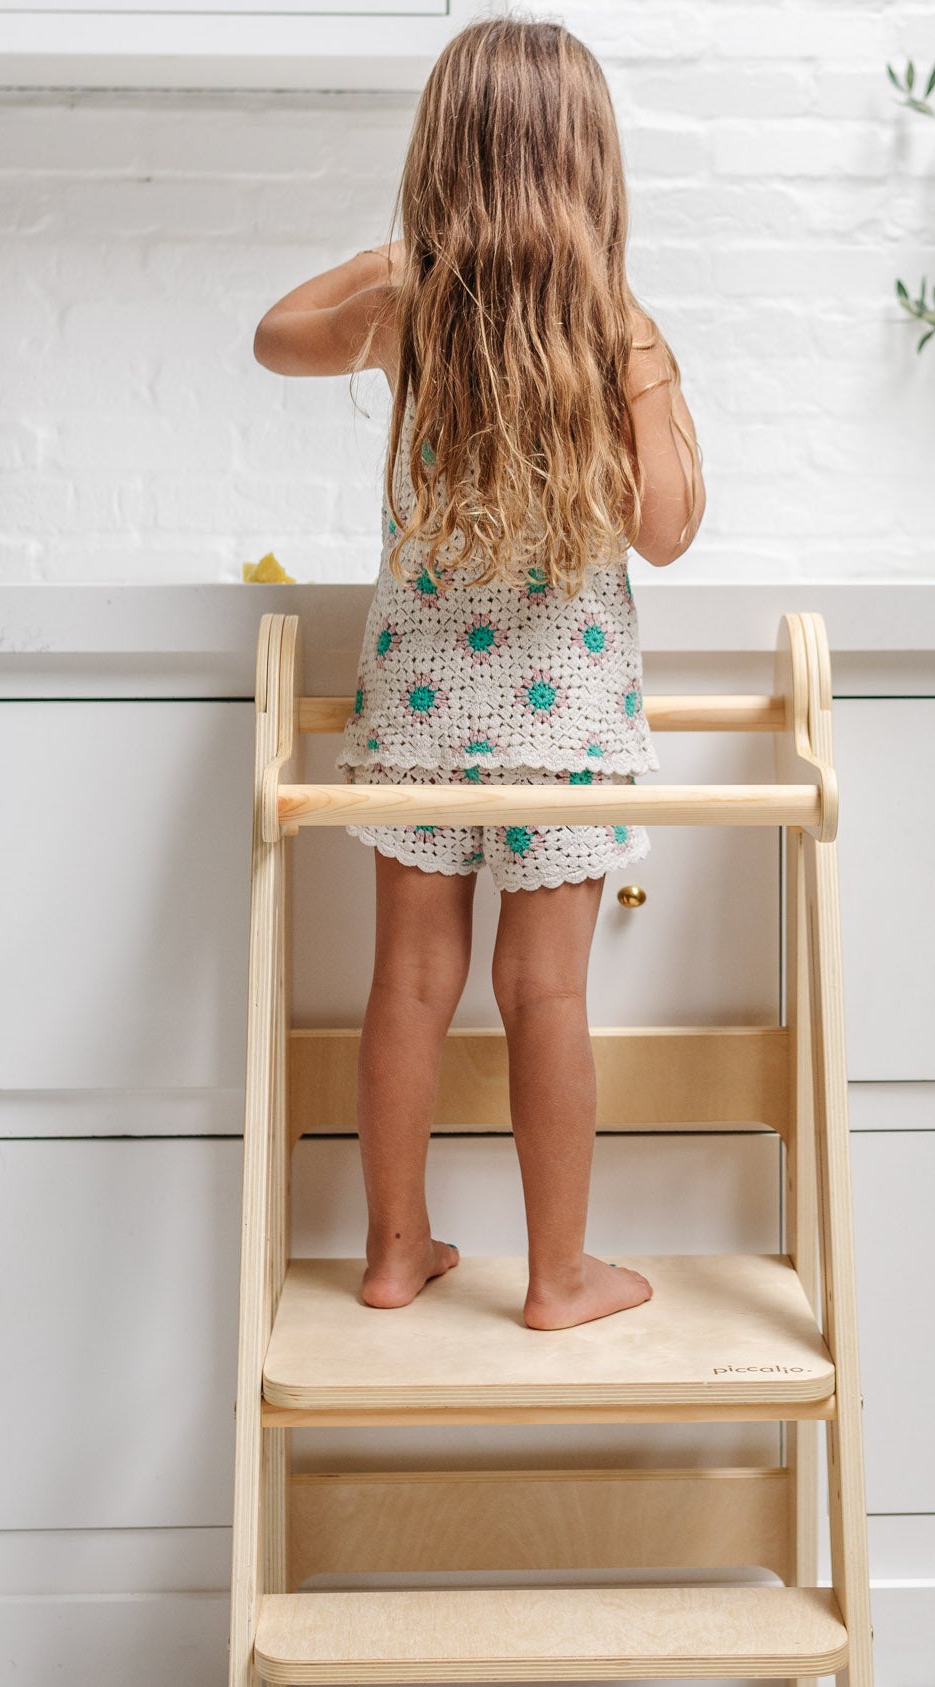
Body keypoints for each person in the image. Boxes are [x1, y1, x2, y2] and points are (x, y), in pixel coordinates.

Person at [253, 17, 704, 1329]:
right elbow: (667, 529)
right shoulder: (609, 322)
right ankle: (558, 1277)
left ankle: (396, 1254)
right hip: (561, 713)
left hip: (420, 701)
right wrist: (642, 347)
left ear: (441, 154)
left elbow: (279, 336)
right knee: (545, 989)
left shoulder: (409, 304)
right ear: (593, 164)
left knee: (407, 978)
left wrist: (405, 257)